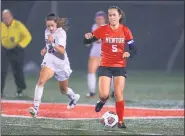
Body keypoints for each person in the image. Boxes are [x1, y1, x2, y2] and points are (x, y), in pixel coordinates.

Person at [83, 6, 138, 128]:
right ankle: (102, 101)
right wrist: (86, 38)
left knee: (118, 93)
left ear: (119, 16)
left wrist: (129, 53)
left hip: (120, 66)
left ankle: (121, 121)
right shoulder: (103, 29)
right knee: (104, 95)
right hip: (105, 66)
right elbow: (87, 42)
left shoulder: (125, 30)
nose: (112, 17)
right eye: (110, 15)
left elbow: (134, 49)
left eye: (114, 15)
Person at [29, 13, 80, 117]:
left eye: (52, 25)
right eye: (48, 26)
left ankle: (74, 97)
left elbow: (61, 50)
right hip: (50, 61)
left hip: (61, 63)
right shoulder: (46, 31)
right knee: (41, 81)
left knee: (63, 90)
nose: (50, 28)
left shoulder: (61, 33)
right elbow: (48, 44)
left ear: (56, 24)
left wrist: (52, 43)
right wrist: (45, 49)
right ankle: (35, 108)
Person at [1, 9, 32, 97]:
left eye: (7, 18)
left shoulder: (18, 25)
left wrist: (21, 45)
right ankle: (1, 91)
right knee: (2, 70)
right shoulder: (1, 26)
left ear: (11, 17)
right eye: (3, 18)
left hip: (16, 49)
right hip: (4, 49)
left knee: (17, 70)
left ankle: (20, 90)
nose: (5, 20)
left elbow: (28, 36)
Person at [85, 11, 115, 98]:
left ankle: (114, 92)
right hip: (95, 52)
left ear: (104, 19)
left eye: (101, 19)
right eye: (97, 19)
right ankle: (92, 92)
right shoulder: (94, 26)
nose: (99, 20)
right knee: (91, 71)